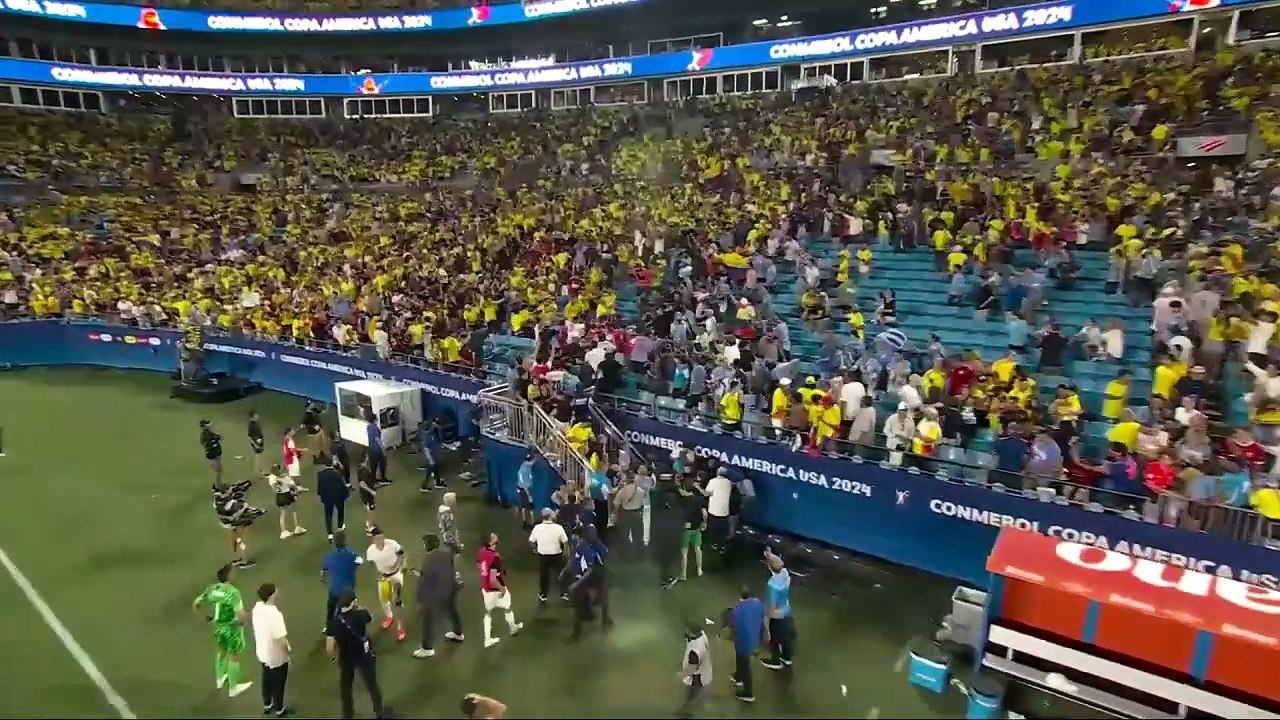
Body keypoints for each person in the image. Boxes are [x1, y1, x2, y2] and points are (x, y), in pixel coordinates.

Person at [192, 563, 254, 698]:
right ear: (229, 576)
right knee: (233, 656)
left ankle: (220, 679)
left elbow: (196, 603)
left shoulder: (212, 589)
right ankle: (233, 687)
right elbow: (240, 615)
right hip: (232, 628)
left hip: (218, 627)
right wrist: (246, 618)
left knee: (221, 651)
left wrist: (206, 617)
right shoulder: (233, 592)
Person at [325, 589, 387, 720]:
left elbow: (329, 647)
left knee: (346, 688)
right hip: (364, 655)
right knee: (372, 684)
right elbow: (370, 620)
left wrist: (334, 657)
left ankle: (348, 714)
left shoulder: (333, 624)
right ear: (353, 602)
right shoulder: (361, 615)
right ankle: (379, 711)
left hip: (346, 658)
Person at [413, 533, 465, 658]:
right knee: (452, 611)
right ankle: (458, 633)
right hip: (450, 589)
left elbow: (424, 583)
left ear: (427, 545)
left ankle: (427, 648)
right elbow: (451, 568)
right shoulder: (446, 554)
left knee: (428, 620)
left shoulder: (428, 561)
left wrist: (420, 600)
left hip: (435, 595)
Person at [252, 582, 292, 717]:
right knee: (279, 683)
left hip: (263, 652)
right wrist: (287, 654)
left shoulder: (257, 608)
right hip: (276, 656)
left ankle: (267, 703)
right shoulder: (275, 615)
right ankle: (279, 709)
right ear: (271, 596)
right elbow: (281, 639)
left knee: (266, 678)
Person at [476, 532, 523, 648]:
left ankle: (487, 639)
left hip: (485, 588)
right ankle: (513, 628)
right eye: (494, 538)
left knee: (488, 612)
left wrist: (485, 573)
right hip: (496, 588)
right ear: (490, 542)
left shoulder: (481, 551)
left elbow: (479, 565)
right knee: (507, 608)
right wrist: (502, 590)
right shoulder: (495, 557)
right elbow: (493, 580)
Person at [566, 524, 611, 639]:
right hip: (592, 575)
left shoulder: (594, 546)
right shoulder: (584, 544)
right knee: (595, 599)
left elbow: (601, 559)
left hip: (596, 575)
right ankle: (600, 620)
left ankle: (604, 621)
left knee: (600, 599)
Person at [365, 527, 407, 642]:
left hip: (396, 575)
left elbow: (402, 553)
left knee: (397, 602)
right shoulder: (371, 551)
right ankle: (389, 616)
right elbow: (371, 565)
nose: (381, 541)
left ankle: (400, 629)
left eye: (382, 538)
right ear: (373, 540)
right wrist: (376, 575)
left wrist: (400, 564)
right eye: (378, 539)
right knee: (384, 600)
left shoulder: (392, 544)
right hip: (383, 578)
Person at [729, 587, 767, 703]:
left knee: (745, 665)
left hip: (742, 641)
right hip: (754, 638)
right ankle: (738, 676)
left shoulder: (737, 611)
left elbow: (732, 625)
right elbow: (762, 616)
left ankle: (748, 693)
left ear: (740, 596)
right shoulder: (758, 603)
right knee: (741, 660)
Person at [213, 480, 260, 569]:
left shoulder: (217, 502)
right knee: (240, 540)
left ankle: (236, 558)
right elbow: (240, 509)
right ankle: (243, 561)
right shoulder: (230, 503)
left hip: (227, 523)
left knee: (234, 540)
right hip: (235, 522)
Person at [761, 548, 795, 670]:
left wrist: (766, 625)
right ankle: (787, 659)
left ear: (769, 568)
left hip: (777, 616)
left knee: (774, 639)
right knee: (786, 638)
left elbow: (771, 607)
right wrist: (769, 555)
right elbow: (778, 564)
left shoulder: (772, 585)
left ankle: (775, 661)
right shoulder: (785, 574)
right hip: (787, 610)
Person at [323, 530, 362, 633]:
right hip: (347, 591)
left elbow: (324, 570)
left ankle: (328, 627)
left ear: (334, 542)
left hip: (334, 589)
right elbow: (359, 561)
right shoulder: (351, 555)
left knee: (331, 609)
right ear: (345, 541)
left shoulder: (330, 556)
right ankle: (348, 629)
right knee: (348, 611)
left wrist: (324, 578)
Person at [529, 508, 569, 602]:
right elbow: (565, 541)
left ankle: (543, 594)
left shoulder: (537, 528)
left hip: (543, 555)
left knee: (544, 575)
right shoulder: (558, 527)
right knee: (561, 573)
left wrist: (535, 549)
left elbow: (531, 541)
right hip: (557, 554)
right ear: (551, 516)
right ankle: (564, 593)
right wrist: (566, 552)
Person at [677, 619, 712, 718]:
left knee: (692, 695)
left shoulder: (695, 651)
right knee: (693, 696)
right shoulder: (702, 635)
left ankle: (687, 712)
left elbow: (692, 668)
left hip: (697, 677)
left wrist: (681, 674)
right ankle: (688, 708)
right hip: (704, 671)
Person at [267, 463, 307, 540]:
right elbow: (293, 486)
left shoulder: (271, 478)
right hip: (286, 495)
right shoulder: (285, 478)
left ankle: (283, 531)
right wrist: (300, 489)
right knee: (295, 509)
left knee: (283, 513)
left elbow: (273, 487)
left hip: (279, 496)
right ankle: (297, 527)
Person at [317, 453, 351, 542]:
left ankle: (330, 534)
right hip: (338, 496)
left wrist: (320, 494)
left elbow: (320, 487)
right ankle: (340, 527)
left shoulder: (320, 474)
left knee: (328, 515)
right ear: (332, 463)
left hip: (327, 497)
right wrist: (346, 494)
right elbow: (342, 486)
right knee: (340, 511)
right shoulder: (337, 474)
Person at [678, 479, 707, 582]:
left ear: (683, 489)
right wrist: (704, 523)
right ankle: (699, 570)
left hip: (685, 529)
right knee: (698, 548)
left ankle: (683, 575)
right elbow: (704, 513)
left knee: (684, 553)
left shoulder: (681, 501)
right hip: (696, 528)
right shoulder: (699, 499)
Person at [365, 411, 389, 485]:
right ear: (375, 419)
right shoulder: (374, 427)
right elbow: (377, 439)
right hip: (377, 449)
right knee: (382, 463)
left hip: (371, 449)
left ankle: (374, 481)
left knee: (373, 466)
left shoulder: (368, 427)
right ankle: (383, 478)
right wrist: (383, 449)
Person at [357, 455, 379, 535]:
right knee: (371, 510)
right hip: (367, 495)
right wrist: (371, 491)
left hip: (364, 494)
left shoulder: (360, 469)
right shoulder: (364, 471)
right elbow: (362, 483)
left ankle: (368, 524)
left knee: (368, 509)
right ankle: (370, 528)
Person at [201, 419, 224, 487]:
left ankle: (219, 484)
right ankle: (217, 486)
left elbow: (218, 437)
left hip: (216, 453)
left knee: (219, 470)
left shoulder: (209, 433)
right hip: (213, 454)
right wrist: (215, 439)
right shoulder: (205, 434)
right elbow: (208, 443)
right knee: (217, 470)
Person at [516, 452, 536, 528]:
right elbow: (524, 484)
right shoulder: (522, 471)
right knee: (527, 506)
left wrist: (537, 457)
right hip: (524, 490)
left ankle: (530, 522)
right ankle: (527, 522)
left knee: (527, 506)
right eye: (528, 460)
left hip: (526, 489)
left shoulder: (527, 467)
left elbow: (532, 463)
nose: (529, 462)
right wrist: (529, 494)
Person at [248, 411, 266, 475]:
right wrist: (255, 444)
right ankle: (257, 472)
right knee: (258, 457)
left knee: (261, 457)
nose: (257, 417)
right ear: (252, 417)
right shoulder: (251, 425)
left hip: (260, 442)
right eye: (256, 416)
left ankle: (261, 471)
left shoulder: (256, 423)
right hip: (256, 443)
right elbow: (249, 436)